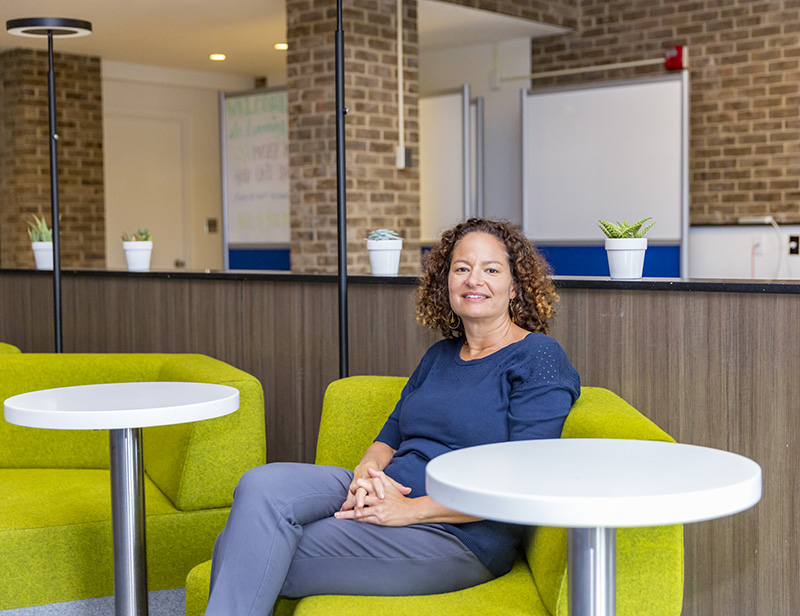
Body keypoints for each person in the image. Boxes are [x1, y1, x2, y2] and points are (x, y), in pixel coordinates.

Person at [204, 218, 581, 615]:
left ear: (515, 286)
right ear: (446, 282)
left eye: (491, 269)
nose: (474, 280)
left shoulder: (538, 356)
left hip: (458, 534)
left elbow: (524, 482)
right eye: (461, 268)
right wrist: (366, 475)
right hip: (390, 489)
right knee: (260, 485)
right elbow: (391, 435)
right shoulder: (439, 356)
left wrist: (410, 511)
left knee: (241, 544)